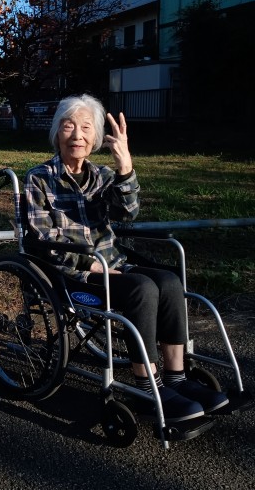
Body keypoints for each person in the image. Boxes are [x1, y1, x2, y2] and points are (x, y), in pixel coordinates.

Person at [24, 93, 228, 422]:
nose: (77, 135)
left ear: (95, 137)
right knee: (141, 289)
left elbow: (127, 214)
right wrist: (89, 263)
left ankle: (176, 378)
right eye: (69, 125)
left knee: (169, 281)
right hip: (71, 273)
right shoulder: (39, 177)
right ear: (57, 132)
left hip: (112, 263)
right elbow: (43, 237)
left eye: (86, 127)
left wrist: (125, 166)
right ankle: (147, 388)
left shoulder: (103, 175)